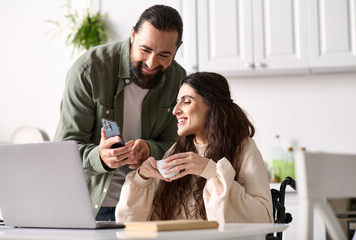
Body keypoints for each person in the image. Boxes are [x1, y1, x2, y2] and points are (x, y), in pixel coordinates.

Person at [54, 5, 186, 221]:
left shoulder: (178, 80)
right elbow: (64, 151)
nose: (152, 63)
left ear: (177, 48)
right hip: (90, 209)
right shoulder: (89, 71)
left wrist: (150, 150)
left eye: (164, 54)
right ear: (133, 34)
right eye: (145, 50)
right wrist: (101, 158)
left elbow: (174, 146)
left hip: (147, 208)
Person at [116, 72, 273, 223]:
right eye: (177, 102)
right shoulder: (176, 150)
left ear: (212, 105)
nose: (175, 111)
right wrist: (142, 178)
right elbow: (133, 222)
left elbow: (263, 218)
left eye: (186, 101)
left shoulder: (243, 148)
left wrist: (210, 171)